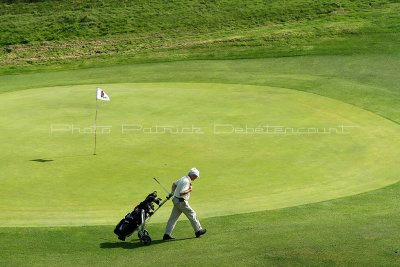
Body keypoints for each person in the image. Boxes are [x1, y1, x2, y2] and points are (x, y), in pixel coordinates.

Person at [163, 167, 206, 240]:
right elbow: (182, 193)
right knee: (192, 214)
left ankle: (167, 234)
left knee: (173, 218)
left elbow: (174, 184)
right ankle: (198, 230)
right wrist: (190, 189)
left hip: (176, 201)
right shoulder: (186, 181)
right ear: (192, 175)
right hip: (181, 202)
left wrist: (172, 192)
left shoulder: (183, 178)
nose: (195, 178)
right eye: (195, 176)